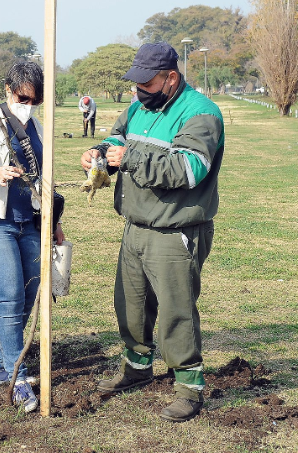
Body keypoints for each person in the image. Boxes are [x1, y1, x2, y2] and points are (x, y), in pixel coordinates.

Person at [80, 42, 224, 423]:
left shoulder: (201, 114)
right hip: (135, 225)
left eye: (146, 83)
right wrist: (99, 153)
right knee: (131, 306)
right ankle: (137, 369)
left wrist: (130, 158)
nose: (138, 91)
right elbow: (116, 139)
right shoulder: (139, 107)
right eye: (135, 83)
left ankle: (189, 388)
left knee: (176, 311)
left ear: (171, 78)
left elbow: (189, 170)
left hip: (175, 230)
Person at [0, 61, 65, 413]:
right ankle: (15, 377)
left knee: (31, 293)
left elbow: (44, 179)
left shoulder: (36, 125)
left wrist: (55, 221)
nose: (28, 104)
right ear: (8, 89)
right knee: (8, 296)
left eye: (35, 100)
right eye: (23, 97)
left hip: (29, 221)